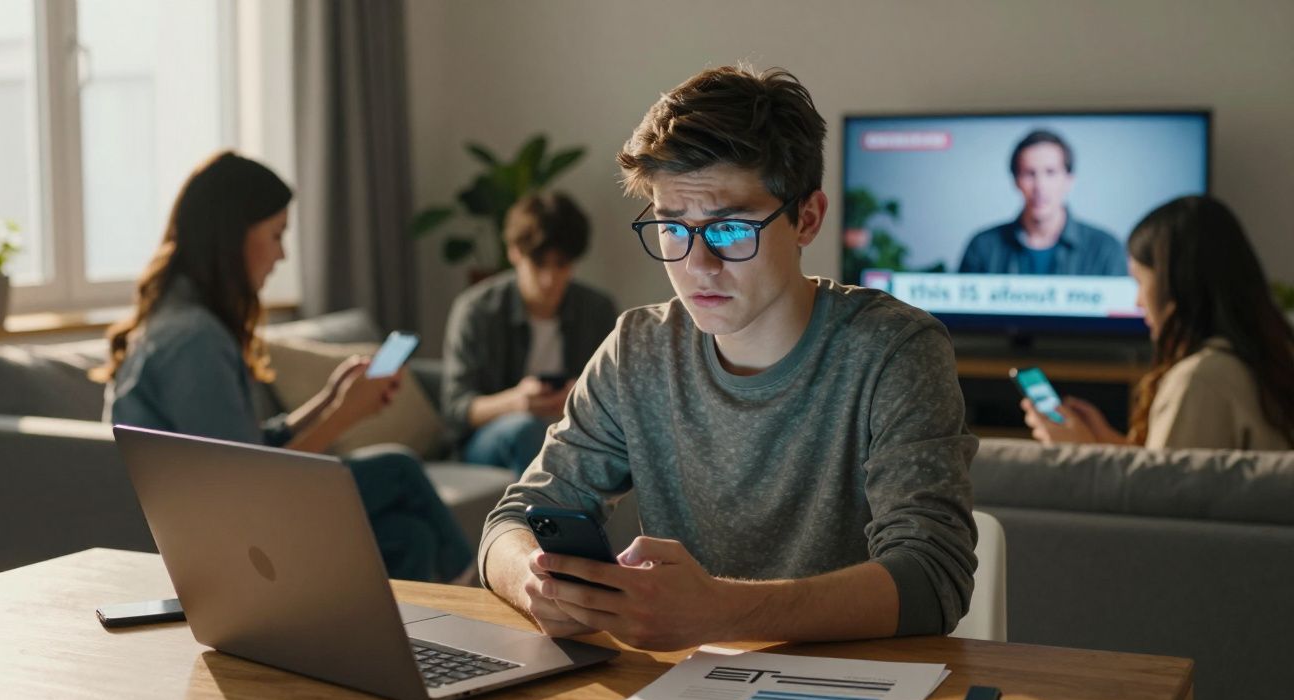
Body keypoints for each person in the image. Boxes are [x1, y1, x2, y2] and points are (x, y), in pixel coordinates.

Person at [479, 66, 978, 652]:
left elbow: (932, 578)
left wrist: (720, 612)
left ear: (807, 219)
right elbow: (511, 522)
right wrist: (534, 582)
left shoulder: (895, 350)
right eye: (672, 227)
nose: (698, 266)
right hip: (684, 681)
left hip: (858, 683)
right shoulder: (638, 349)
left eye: (730, 229)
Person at [94, 151, 474, 583]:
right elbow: (250, 483)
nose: (282, 254)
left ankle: (423, 622)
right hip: (208, 534)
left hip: (213, 514)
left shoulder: (182, 319)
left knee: (408, 537)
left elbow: (247, 447)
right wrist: (345, 413)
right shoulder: (194, 340)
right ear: (232, 235)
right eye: (276, 235)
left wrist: (328, 399)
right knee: (398, 470)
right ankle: (476, 602)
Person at [1023, 195, 1294, 450]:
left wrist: (1080, 452)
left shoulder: (1200, 380)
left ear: (1175, 285)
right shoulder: (1252, 362)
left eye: (1140, 282)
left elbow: (1162, 485)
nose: (1138, 302)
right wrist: (1104, 443)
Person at [442, 191, 618, 476]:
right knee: (526, 430)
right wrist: (517, 402)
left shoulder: (597, 309)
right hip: (492, 439)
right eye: (539, 264)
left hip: (572, 431)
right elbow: (456, 410)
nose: (550, 279)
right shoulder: (478, 310)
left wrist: (580, 398)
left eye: (561, 265)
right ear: (514, 252)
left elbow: (617, 398)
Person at [958, 130, 1125, 276]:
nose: (1040, 186)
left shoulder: (1105, 249)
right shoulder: (983, 247)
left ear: (1069, 180)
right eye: (1029, 173)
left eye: (1050, 172)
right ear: (1016, 181)